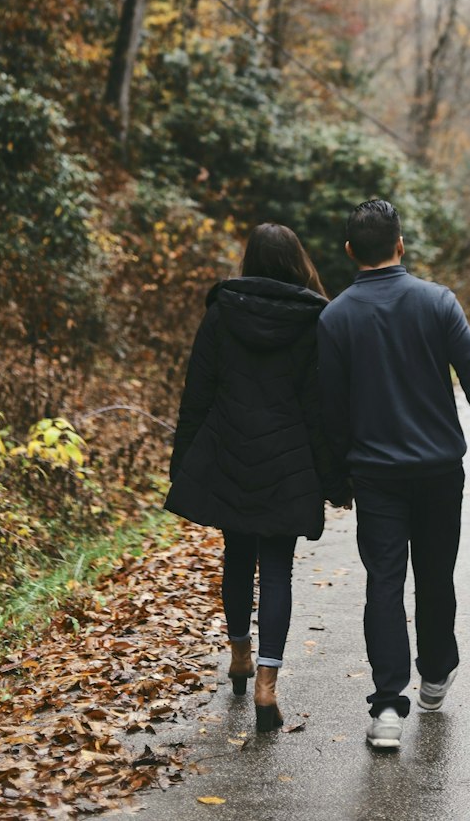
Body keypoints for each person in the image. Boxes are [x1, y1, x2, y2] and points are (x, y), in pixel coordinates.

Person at [318, 198, 470, 750]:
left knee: (384, 583)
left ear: (348, 252)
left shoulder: (335, 317)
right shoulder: (438, 303)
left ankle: (388, 707)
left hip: (376, 476)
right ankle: (434, 676)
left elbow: (329, 412)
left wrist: (337, 480)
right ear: (401, 243)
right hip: (438, 471)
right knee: (436, 575)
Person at [165, 223, 348, 732]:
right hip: (288, 461)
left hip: (229, 453)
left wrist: (182, 463)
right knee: (279, 568)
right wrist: (334, 479)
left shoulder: (222, 313)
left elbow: (196, 393)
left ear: (249, 259)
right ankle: (267, 685)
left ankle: (240, 657)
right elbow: (320, 409)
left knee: (238, 556)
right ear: (297, 261)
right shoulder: (316, 320)